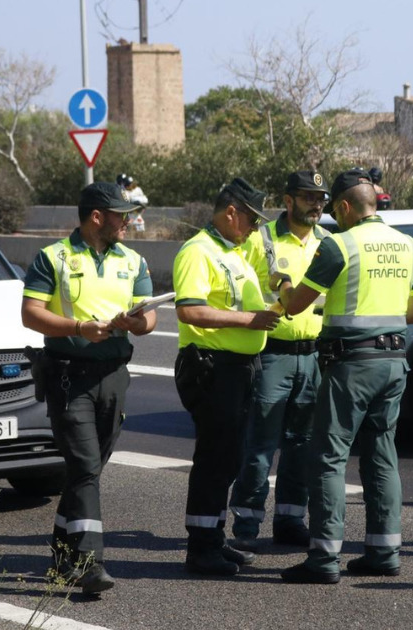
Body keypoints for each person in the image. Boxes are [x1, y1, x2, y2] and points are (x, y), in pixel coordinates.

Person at [275, 168, 413, 584]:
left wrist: (283, 285)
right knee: (381, 455)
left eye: (334, 210)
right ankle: (384, 551)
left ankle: (323, 558)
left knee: (328, 457)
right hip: (395, 363)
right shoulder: (409, 246)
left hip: (350, 365)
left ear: (344, 207)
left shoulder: (339, 245)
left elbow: (294, 305)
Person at [20, 181, 158, 594]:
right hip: (68, 376)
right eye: (121, 215)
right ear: (97, 216)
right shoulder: (52, 258)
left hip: (114, 375)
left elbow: (150, 319)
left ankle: (63, 555)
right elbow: (31, 314)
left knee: (89, 471)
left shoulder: (133, 260)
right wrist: (81, 328)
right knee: (83, 467)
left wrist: (137, 323)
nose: (128, 222)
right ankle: (88, 564)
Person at [172, 177, 281, 577]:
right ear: (231, 212)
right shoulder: (198, 251)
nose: (255, 227)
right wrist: (251, 319)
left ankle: (214, 541)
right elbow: (191, 310)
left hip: (238, 367)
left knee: (229, 457)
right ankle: (201, 549)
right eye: (251, 218)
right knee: (215, 460)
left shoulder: (231, 251)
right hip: (213, 366)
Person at [228, 170, 331, 551]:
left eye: (320, 198)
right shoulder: (263, 238)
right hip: (273, 355)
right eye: (308, 197)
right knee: (260, 445)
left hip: (314, 356)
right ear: (288, 201)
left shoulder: (329, 242)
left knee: (302, 444)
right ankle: (246, 525)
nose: (317, 204)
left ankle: (290, 519)